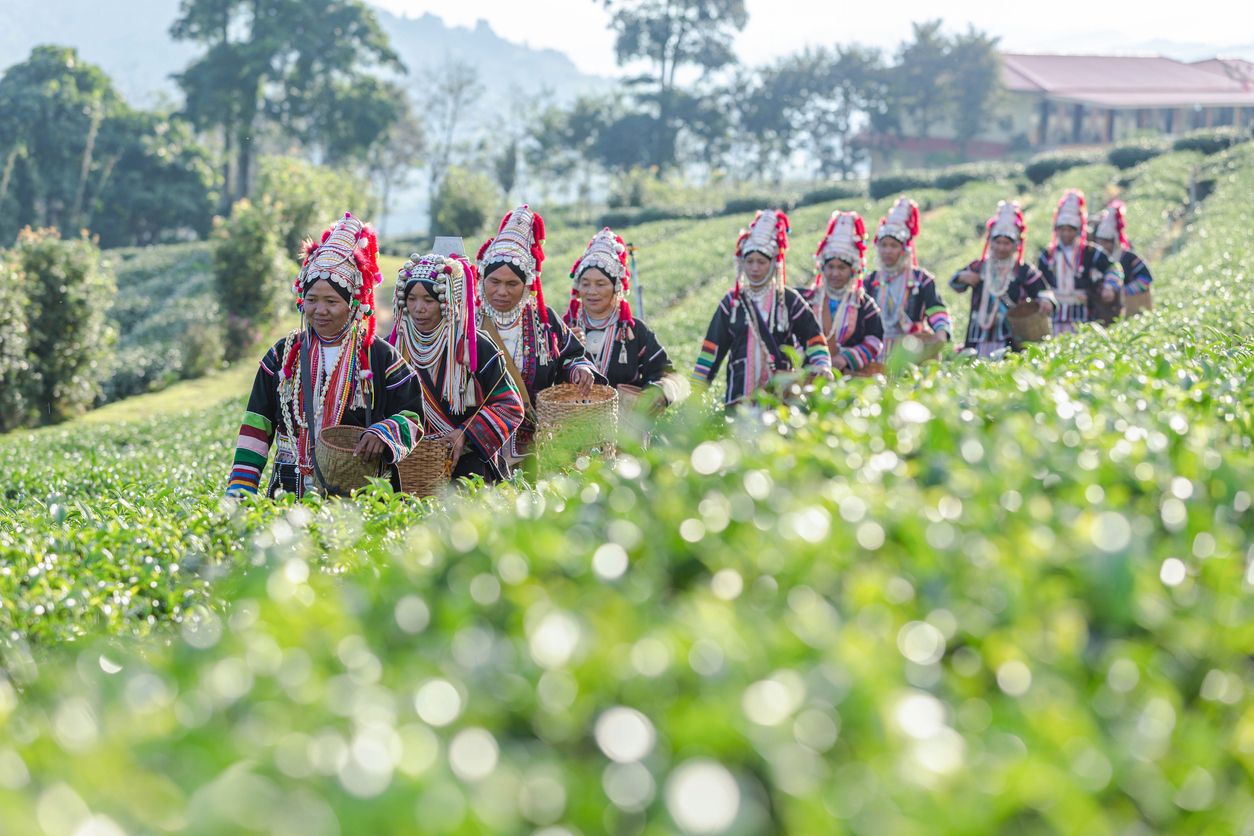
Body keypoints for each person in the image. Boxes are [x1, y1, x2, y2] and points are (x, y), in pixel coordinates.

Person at [226, 212, 425, 498]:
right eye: (312, 300)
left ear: (353, 305)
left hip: (358, 495)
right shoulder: (283, 356)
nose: (320, 311)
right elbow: (257, 423)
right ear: (301, 301)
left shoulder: (379, 357)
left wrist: (385, 432)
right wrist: (240, 491)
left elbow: (412, 416)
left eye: (331, 301)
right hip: (288, 490)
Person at [475, 204, 597, 462]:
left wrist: (579, 370)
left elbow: (572, 355)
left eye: (512, 284)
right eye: (494, 282)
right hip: (479, 447)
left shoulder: (544, 321)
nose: (502, 292)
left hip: (536, 447)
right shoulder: (468, 322)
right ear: (482, 279)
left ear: (527, 286)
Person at [390, 252, 524, 482]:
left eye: (429, 300)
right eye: (411, 299)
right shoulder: (393, 348)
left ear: (447, 301)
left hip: (469, 470)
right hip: (408, 468)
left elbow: (510, 405)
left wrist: (465, 433)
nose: (418, 308)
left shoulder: (475, 347)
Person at [691, 208, 833, 405]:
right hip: (739, 399)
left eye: (761, 262)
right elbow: (711, 350)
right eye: (749, 261)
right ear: (742, 263)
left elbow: (814, 339)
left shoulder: (788, 301)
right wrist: (695, 392)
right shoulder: (732, 303)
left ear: (773, 264)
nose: (754, 268)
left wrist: (821, 365)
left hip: (781, 401)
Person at [564, 227, 688, 410]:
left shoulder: (635, 332)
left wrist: (656, 394)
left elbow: (667, 375)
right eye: (585, 283)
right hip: (572, 429)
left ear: (616, 288)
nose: (592, 291)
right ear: (577, 287)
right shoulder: (565, 328)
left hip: (625, 432)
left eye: (600, 284)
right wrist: (565, 348)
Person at [950, 201, 1058, 358]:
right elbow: (955, 283)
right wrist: (961, 277)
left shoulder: (1022, 270)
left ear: (1016, 245)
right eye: (997, 242)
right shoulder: (979, 266)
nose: (1001, 247)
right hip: (979, 333)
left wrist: (1046, 301)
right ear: (990, 242)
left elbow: (1043, 291)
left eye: (1006, 243)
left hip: (1010, 333)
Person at [863, 196, 951, 355]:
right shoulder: (870, 281)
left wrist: (941, 331)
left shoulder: (921, 280)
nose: (887, 251)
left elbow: (936, 309)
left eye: (893, 246)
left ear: (903, 250)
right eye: (883, 245)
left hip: (912, 348)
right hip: (876, 351)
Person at [800, 210, 884, 374]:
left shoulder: (864, 305)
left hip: (848, 375)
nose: (835, 273)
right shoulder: (806, 300)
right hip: (809, 373)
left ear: (853, 271)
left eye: (841, 268)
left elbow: (874, 341)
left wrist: (845, 358)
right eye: (830, 267)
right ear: (822, 268)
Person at [1035, 189, 1120, 334]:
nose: (1066, 234)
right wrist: (1044, 298)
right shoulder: (1047, 255)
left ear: (1078, 229)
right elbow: (1039, 282)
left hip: (1083, 314)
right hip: (1054, 315)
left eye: (1070, 230)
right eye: (1062, 229)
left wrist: (1110, 286)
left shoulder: (1091, 252)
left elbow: (1113, 268)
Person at [1092, 200, 1154, 298]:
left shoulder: (1128, 257)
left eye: (1106, 242)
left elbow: (1145, 279)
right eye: (1100, 241)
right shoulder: (1094, 257)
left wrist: (1122, 292)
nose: (1102, 246)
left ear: (1115, 242)